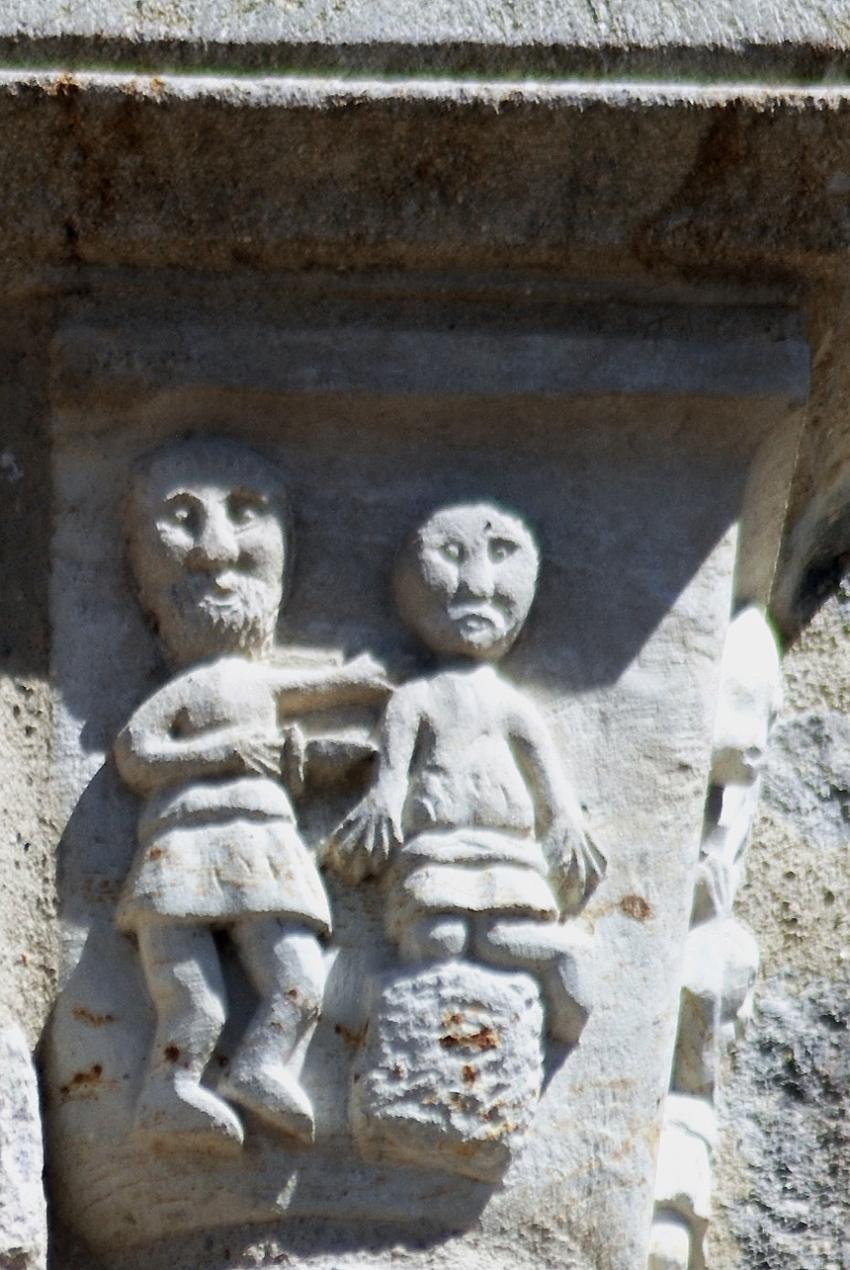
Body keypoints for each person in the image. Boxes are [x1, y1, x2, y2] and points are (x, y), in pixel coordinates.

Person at [115, 437, 389, 1151]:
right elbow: (135, 752)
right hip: (184, 844)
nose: (216, 552)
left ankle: (263, 1065)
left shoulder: (256, 682)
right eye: (182, 520)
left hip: (263, 844)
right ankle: (167, 1092)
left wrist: (359, 680)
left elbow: (310, 688)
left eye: (245, 515)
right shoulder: (187, 689)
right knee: (195, 1002)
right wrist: (222, 751)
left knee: (300, 979)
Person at [325, 502, 604, 1042]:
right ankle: (422, 1025)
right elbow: (393, 773)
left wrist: (567, 821)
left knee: (503, 937)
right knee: (439, 940)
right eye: (450, 557)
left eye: (500, 557)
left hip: (504, 847)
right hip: (438, 846)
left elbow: (547, 777)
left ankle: (563, 968)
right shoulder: (415, 698)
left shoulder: (512, 704)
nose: (476, 583)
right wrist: (381, 803)